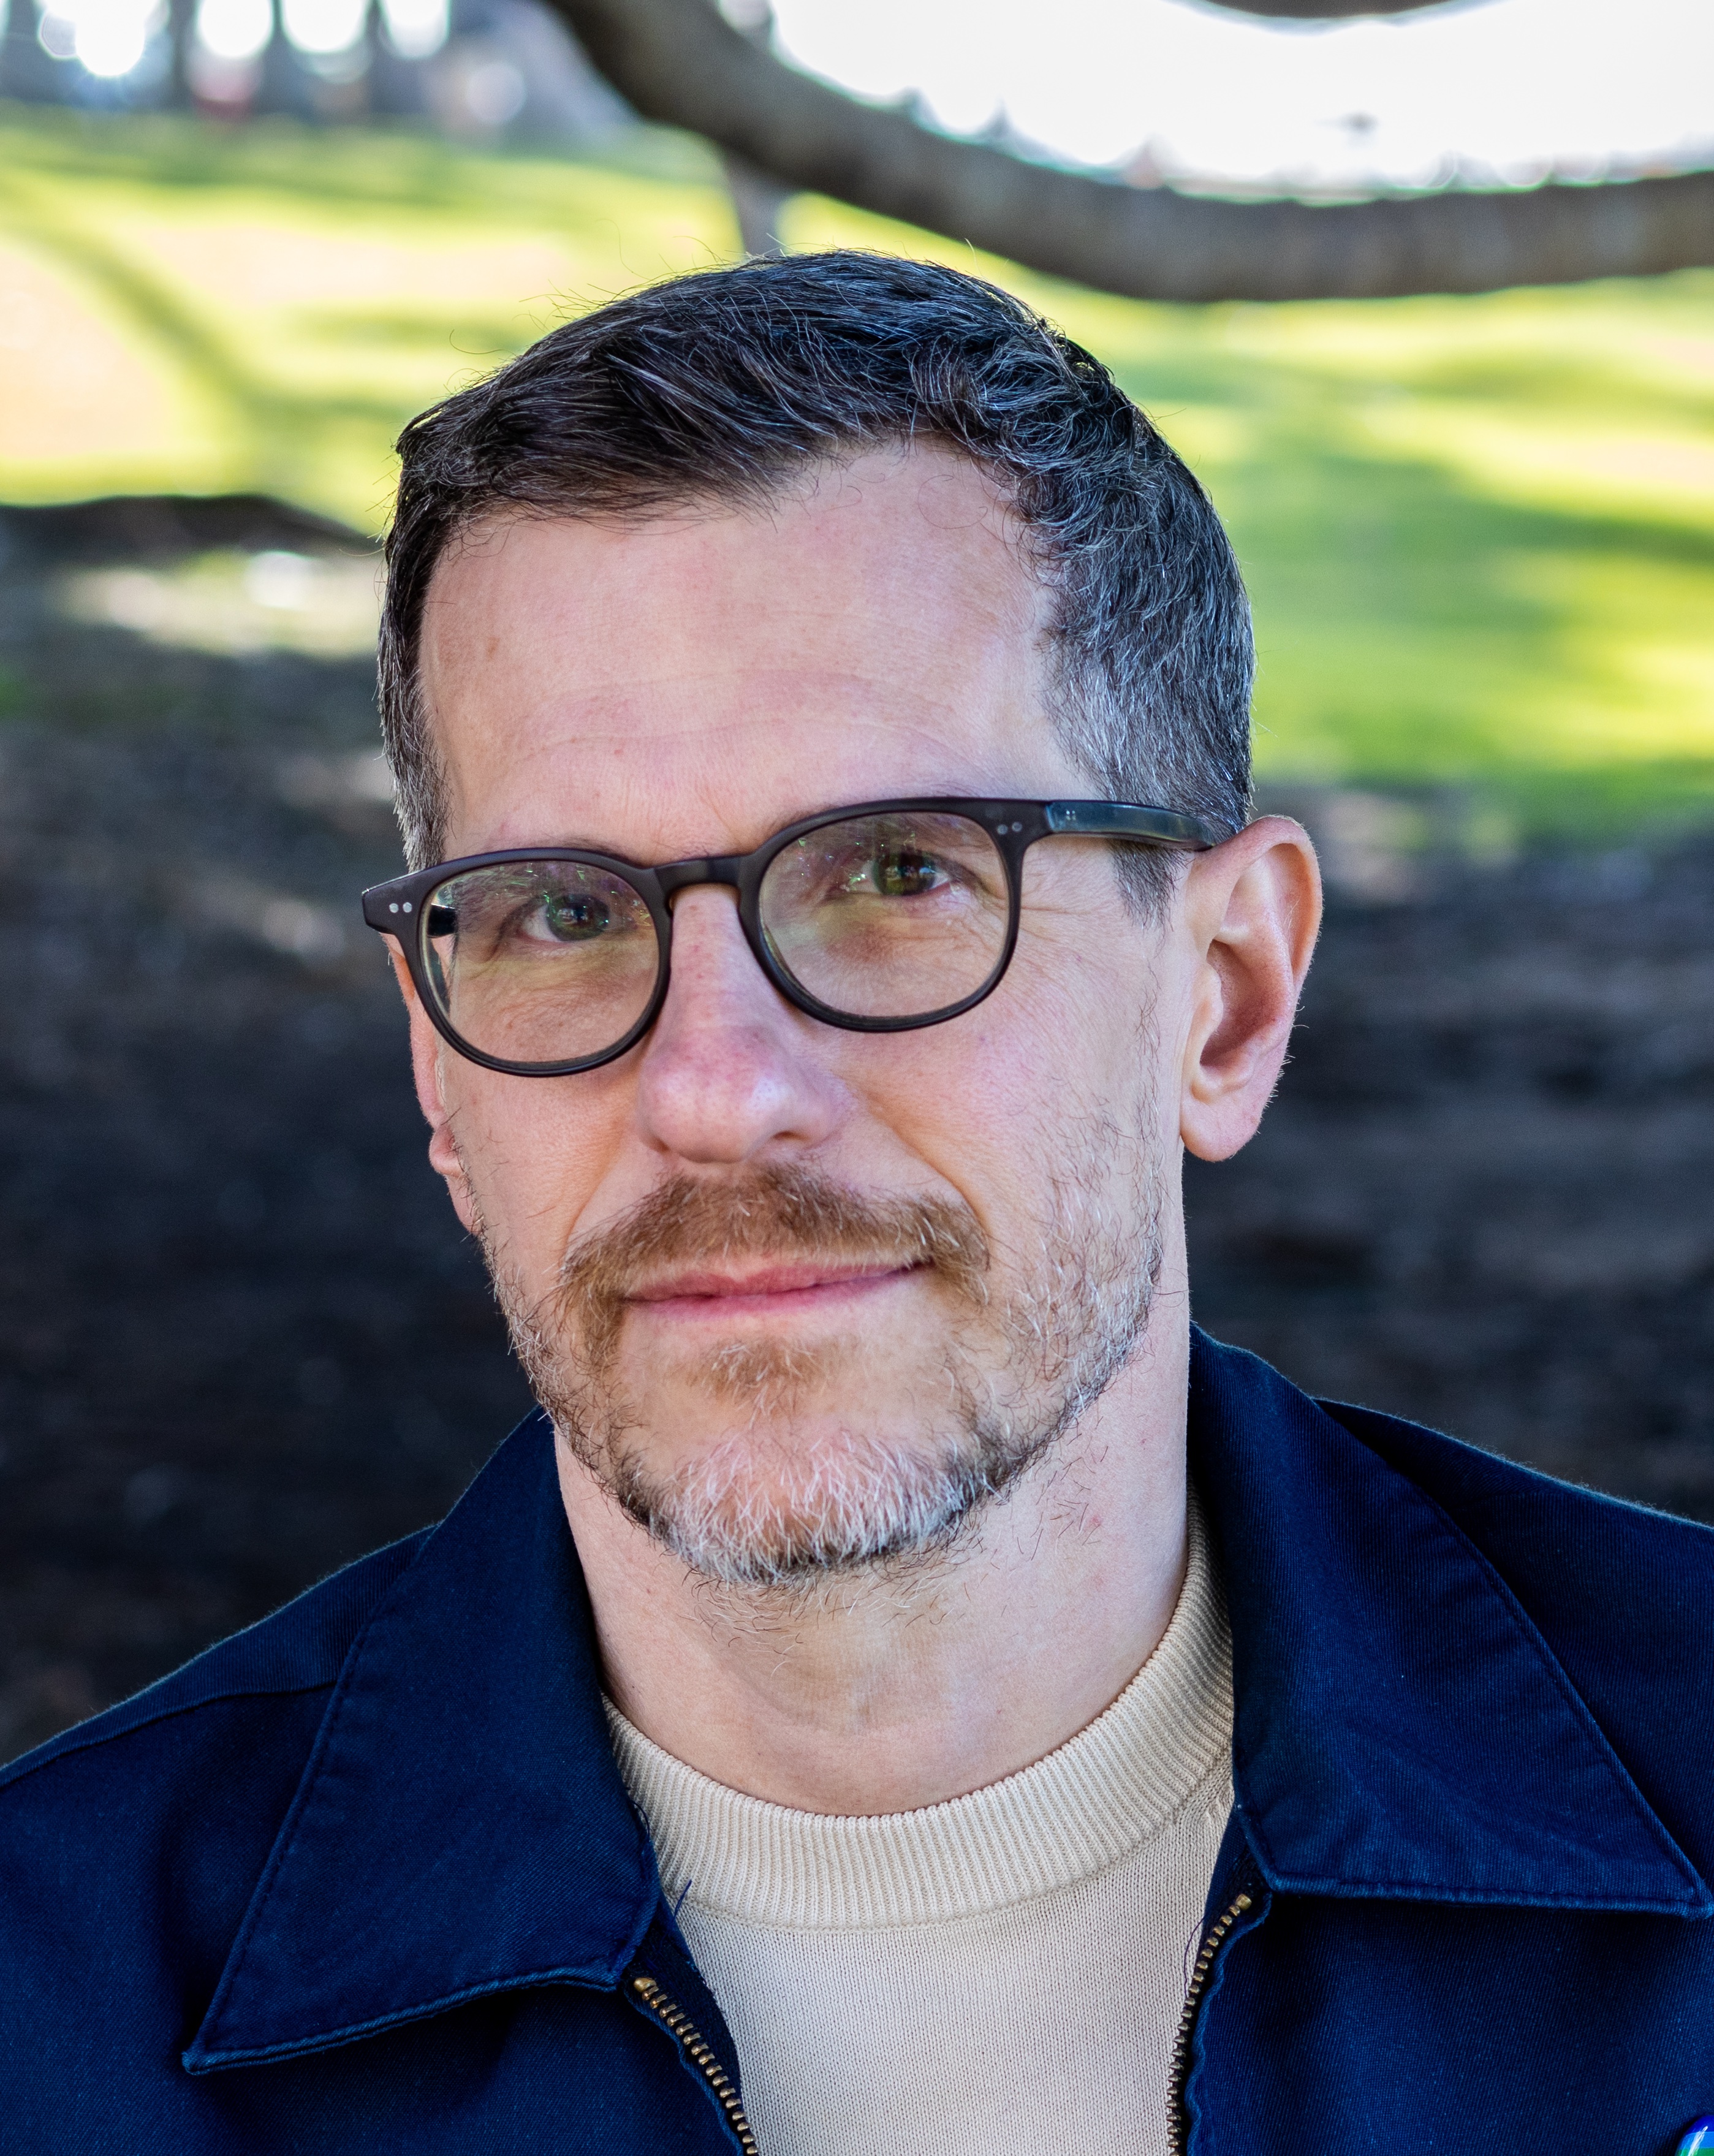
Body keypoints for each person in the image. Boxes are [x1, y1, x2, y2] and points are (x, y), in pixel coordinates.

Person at [4, 253, 1713, 2156]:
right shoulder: (49, 2014)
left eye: (900, 873)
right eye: (564, 915)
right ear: (438, 1068)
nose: (720, 1096)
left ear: (1225, 997)